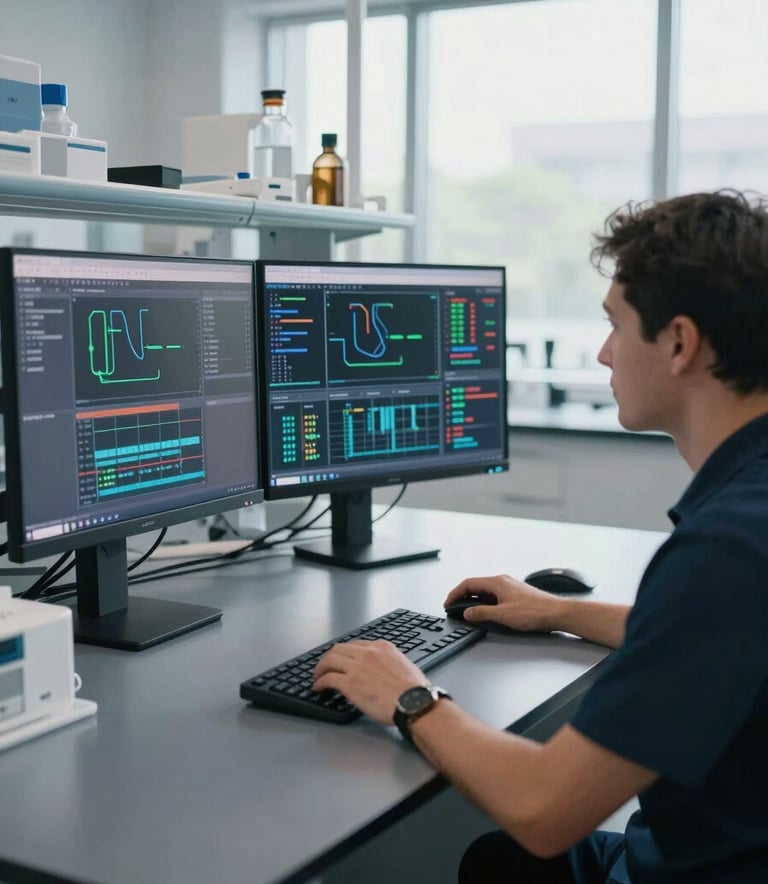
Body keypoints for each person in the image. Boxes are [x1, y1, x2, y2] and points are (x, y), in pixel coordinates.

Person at [313, 190, 768, 883]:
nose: (604, 354)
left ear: (680, 343)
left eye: (616, 326)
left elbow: (547, 809)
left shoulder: (729, 547)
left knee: (509, 854)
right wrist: (555, 611)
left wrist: (409, 697)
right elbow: (721, 633)